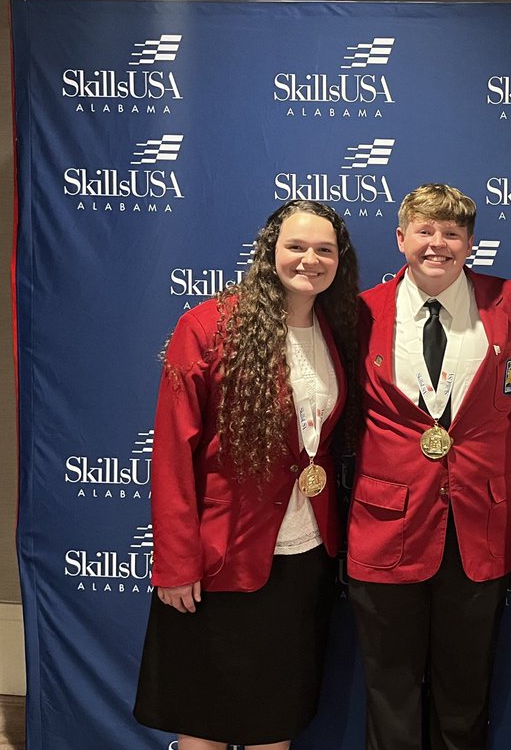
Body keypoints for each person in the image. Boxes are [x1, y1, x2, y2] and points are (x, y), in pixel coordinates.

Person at [134, 200, 361, 750]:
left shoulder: (338, 329)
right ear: (270, 251)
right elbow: (171, 455)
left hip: (304, 557)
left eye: (325, 249)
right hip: (220, 557)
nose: (311, 259)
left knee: (273, 724)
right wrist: (175, 562)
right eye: (297, 246)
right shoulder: (209, 326)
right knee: (205, 725)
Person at [347, 183, 511, 750]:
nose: (439, 244)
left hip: (478, 524)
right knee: (390, 689)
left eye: (452, 233)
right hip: (386, 527)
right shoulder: (361, 310)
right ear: (400, 238)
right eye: (425, 232)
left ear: (471, 242)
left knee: (465, 690)